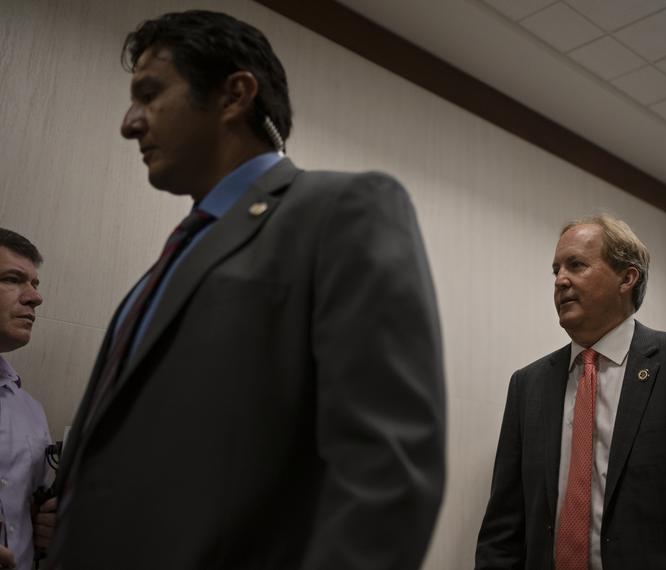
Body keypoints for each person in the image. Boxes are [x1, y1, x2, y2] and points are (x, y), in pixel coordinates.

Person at [48, 10, 445, 570]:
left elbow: (386, 472)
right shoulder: (165, 267)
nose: (129, 122)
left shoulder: (341, 210)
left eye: (150, 93)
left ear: (234, 95)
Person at [475, 215, 666, 569]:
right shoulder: (527, 386)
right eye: (556, 270)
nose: (561, 280)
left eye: (576, 265)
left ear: (627, 277)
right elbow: (503, 528)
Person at [0, 228, 56, 570]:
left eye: (35, 284)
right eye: (13, 279)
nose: (35, 297)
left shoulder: (31, 412)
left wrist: (46, 527)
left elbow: (27, 512)